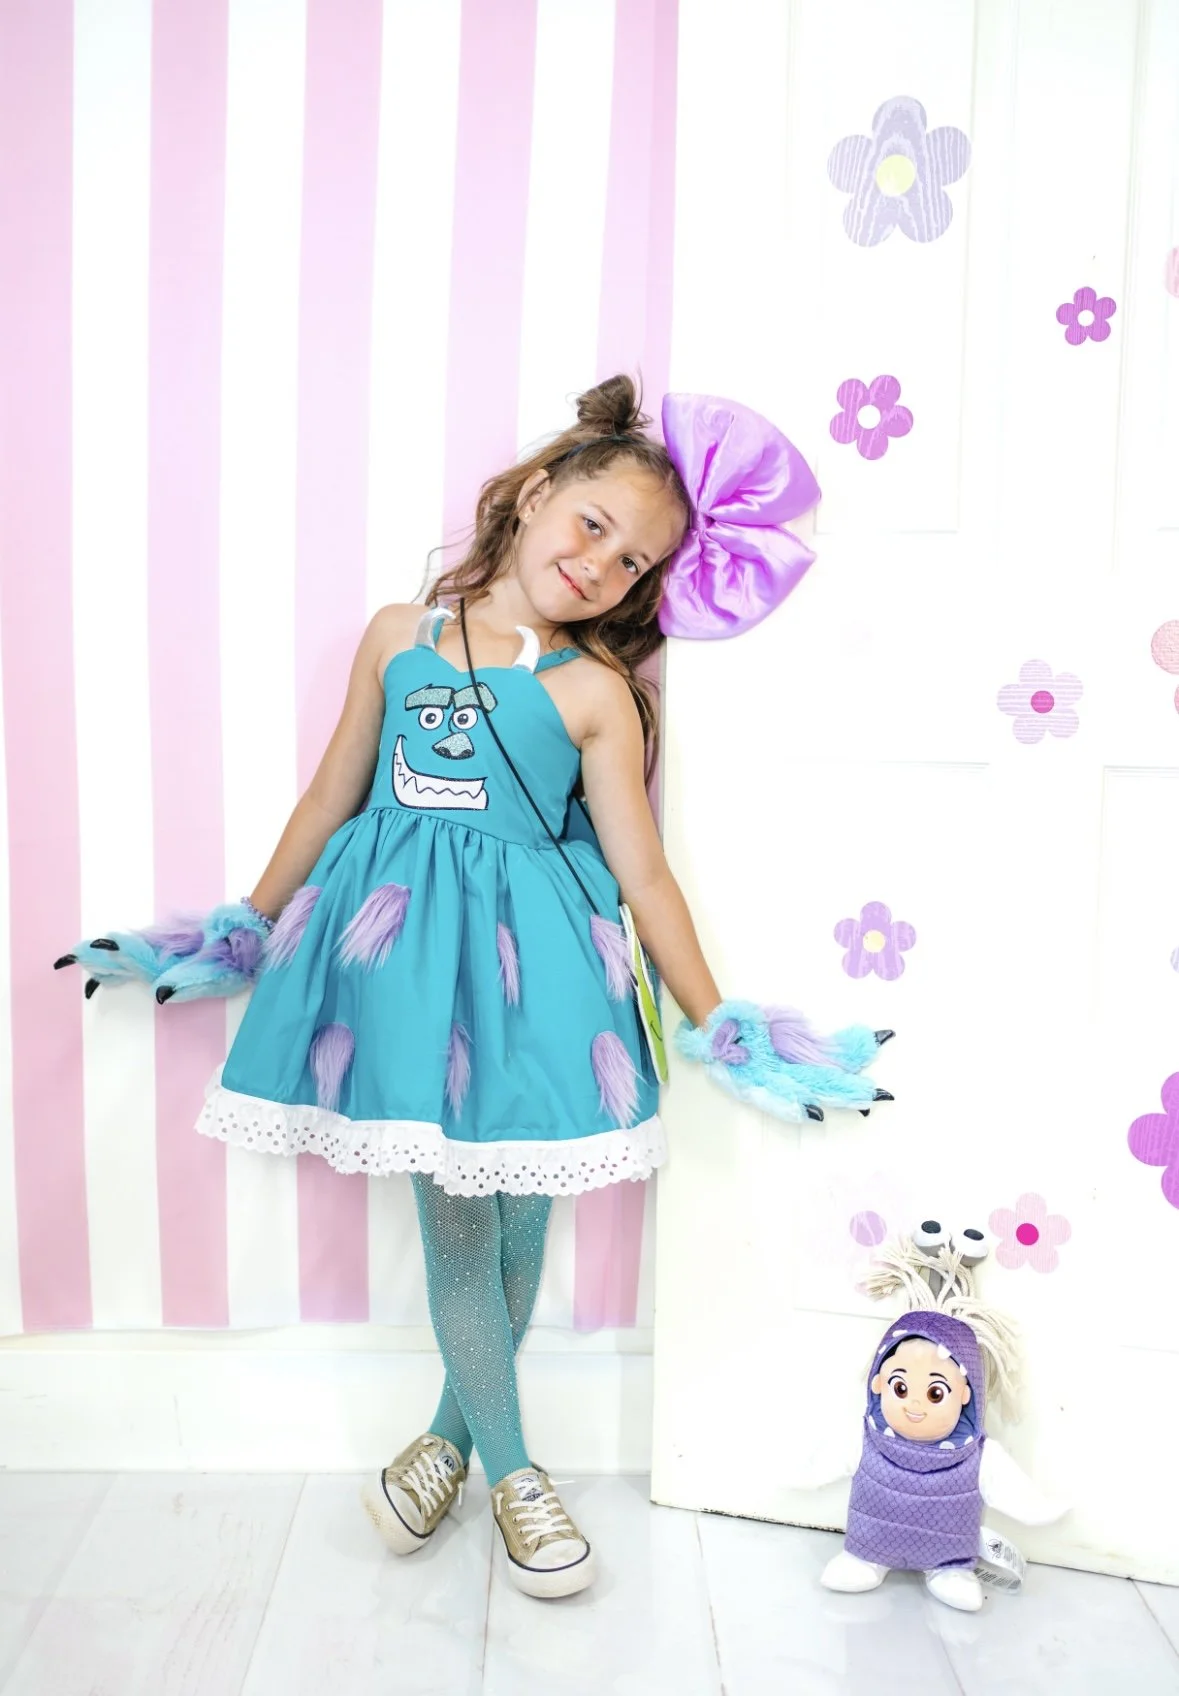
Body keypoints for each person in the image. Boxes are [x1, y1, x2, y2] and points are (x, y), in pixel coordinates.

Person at [56, 375, 892, 1599]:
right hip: (404, 974)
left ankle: (447, 1445)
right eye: (593, 524)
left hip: (540, 982)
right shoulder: (399, 636)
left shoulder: (597, 692)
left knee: (516, 1218)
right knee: (457, 1218)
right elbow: (331, 794)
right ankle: (516, 1474)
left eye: (634, 561)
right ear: (538, 491)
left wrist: (718, 1019)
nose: (601, 564)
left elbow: (642, 872)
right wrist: (244, 926)